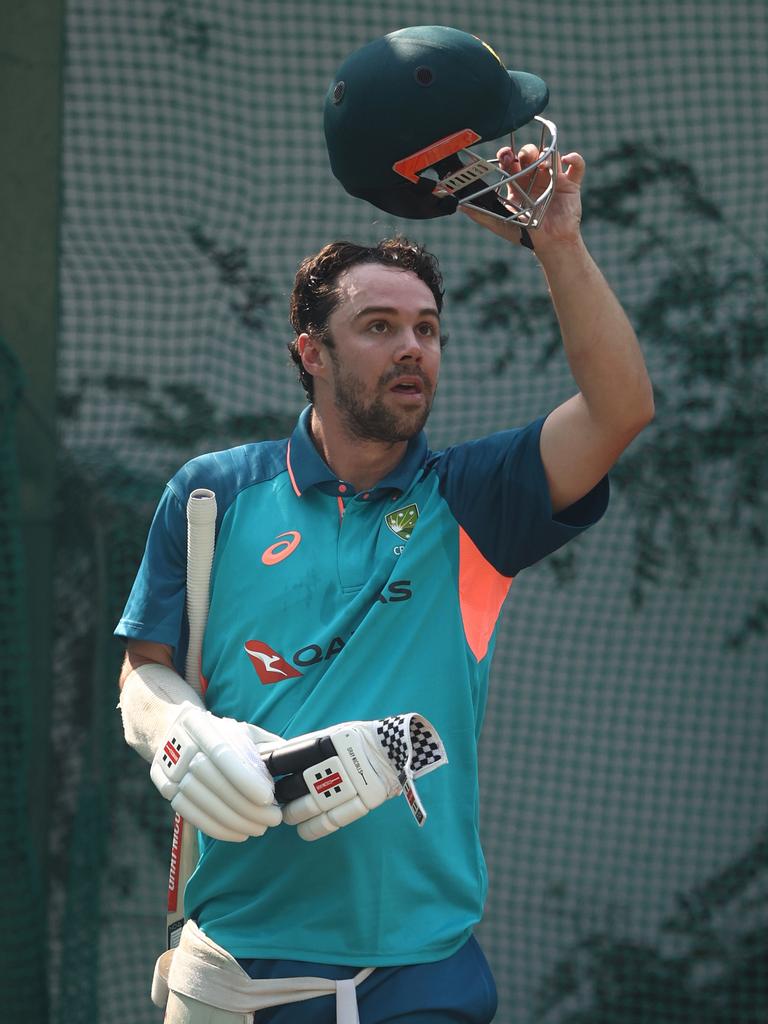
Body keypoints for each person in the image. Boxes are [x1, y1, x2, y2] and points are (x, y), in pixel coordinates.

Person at [115, 122, 654, 1022]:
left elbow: (622, 407)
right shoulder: (211, 495)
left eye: (427, 329)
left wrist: (555, 241)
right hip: (229, 979)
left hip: (421, 977)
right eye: (379, 327)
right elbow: (145, 669)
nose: (413, 348)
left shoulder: (476, 501)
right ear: (310, 353)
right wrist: (177, 734)